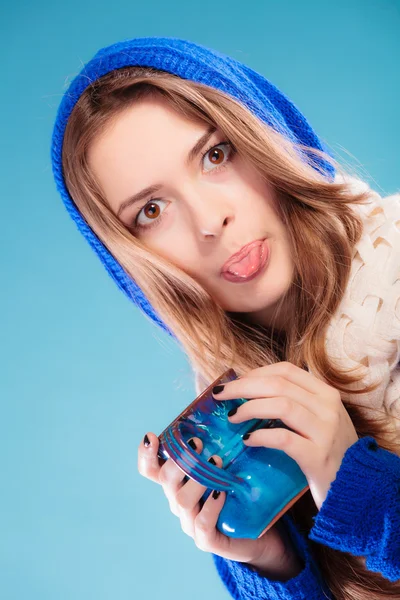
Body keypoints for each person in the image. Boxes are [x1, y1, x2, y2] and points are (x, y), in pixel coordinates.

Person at [51, 36, 400, 600]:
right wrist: (275, 565)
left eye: (216, 154)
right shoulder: (235, 425)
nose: (211, 220)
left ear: (266, 134)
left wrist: (355, 486)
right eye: (151, 211)